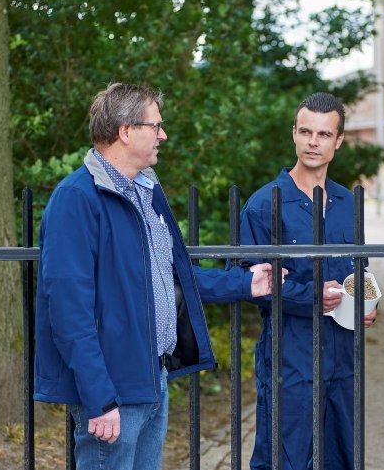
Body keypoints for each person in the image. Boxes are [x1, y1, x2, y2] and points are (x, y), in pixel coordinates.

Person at [34, 83, 276, 470]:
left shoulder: (146, 193)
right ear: (126, 131)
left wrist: (245, 283)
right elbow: (68, 311)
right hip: (113, 390)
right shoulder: (76, 199)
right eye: (156, 125)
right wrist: (99, 397)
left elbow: (168, 277)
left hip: (153, 379)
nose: (163, 135)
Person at [239, 92, 377, 470]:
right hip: (291, 356)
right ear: (294, 134)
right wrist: (311, 296)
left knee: (342, 458)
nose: (313, 142)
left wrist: (367, 303)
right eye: (306, 132)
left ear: (339, 140)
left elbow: (360, 270)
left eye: (324, 134)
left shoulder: (348, 203)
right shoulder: (264, 204)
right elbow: (249, 282)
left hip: (343, 354)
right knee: (283, 460)